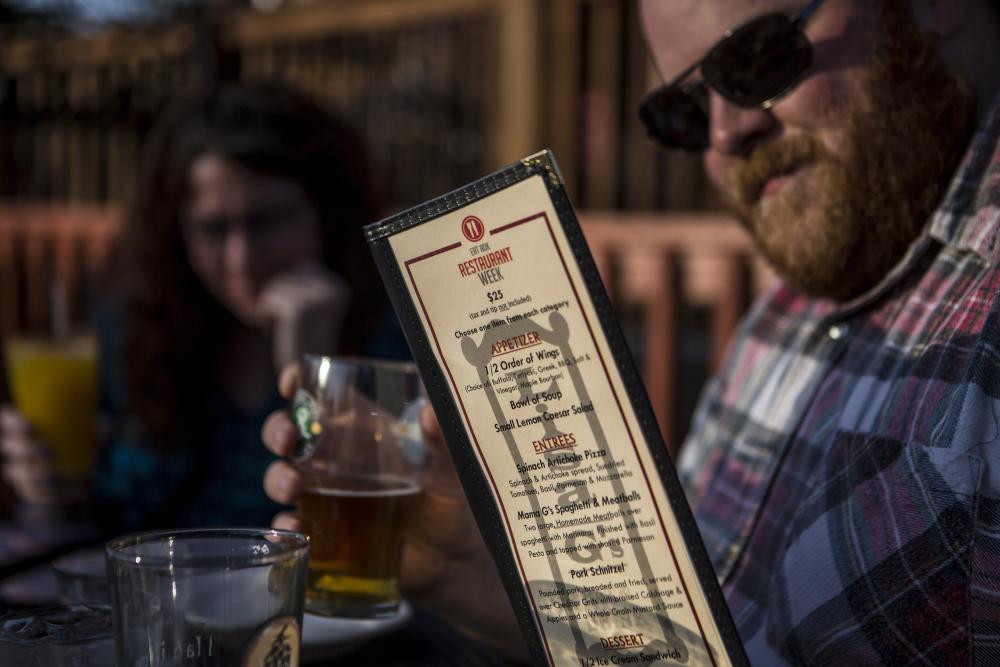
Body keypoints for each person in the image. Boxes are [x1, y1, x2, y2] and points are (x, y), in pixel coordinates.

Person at [262, 0, 1000, 663]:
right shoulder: (786, 309)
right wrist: (507, 591)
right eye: (683, 109)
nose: (724, 132)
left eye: (755, 59)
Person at [1, 81, 408, 534]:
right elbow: (94, 517)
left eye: (267, 220)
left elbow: (353, 535)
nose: (243, 260)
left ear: (326, 211)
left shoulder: (395, 339)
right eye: (213, 229)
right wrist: (46, 486)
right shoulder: (138, 328)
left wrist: (314, 373)